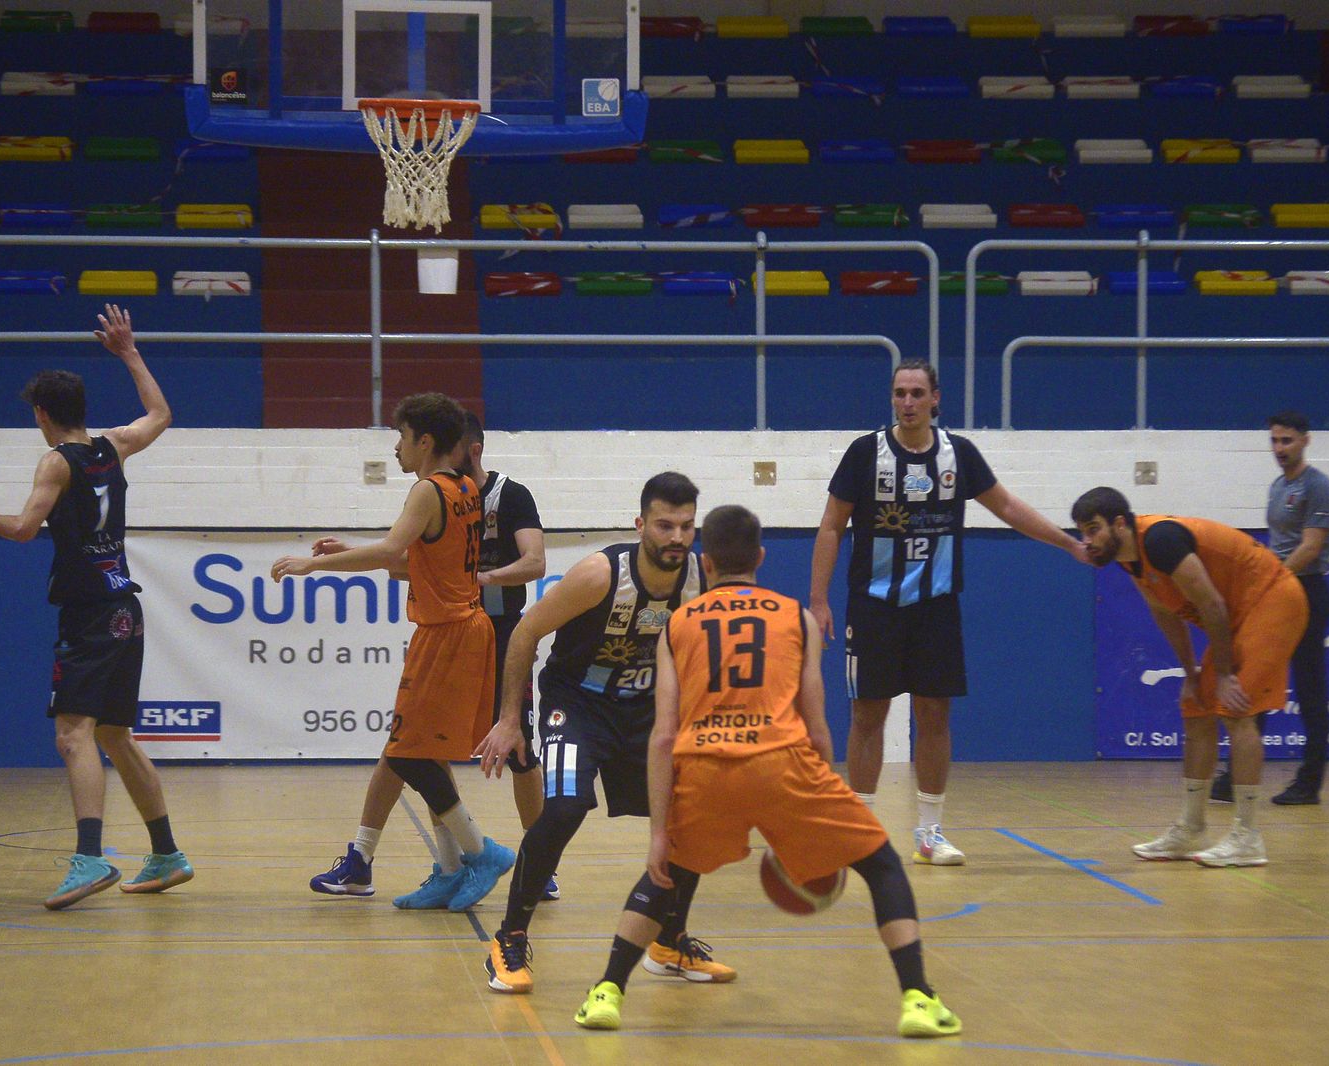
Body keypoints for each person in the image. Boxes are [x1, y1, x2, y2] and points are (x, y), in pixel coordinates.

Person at [571, 504, 961, 1038]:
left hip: (706, 768)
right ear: (760, 557)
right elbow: (817, 727)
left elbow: (662, 737)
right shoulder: (797, 618)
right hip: (782, 764)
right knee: (883, 864)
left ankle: (606, 991)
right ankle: (917, 998)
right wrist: (816, 804)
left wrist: (660, 831)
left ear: (707, 564)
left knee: (667, 872)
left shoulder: (678, 625)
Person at [809, 360, 1089, 865]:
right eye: (900, 392)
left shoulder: (958, 453)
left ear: (936, 398)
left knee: (935, 714)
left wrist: (1068, 544)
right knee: (867, 715)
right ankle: (862, 833)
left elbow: (1007, 507)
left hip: (935, 607)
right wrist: (818, 600)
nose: (908, 402)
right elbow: (831, 525)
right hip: (873, 606)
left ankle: (930, 832)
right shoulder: (865, 453)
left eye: (917, 393)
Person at [475, 472, 735, 994]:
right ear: (640, 525)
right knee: (565, 807)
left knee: (690, 813)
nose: (677, 537)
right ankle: (509, 937)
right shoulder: (600, 574)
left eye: (687, 527)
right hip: (576, 705)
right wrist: (509, 720)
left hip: (645, 711)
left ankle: (668, 940)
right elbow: (525, 632)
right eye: (664, 525)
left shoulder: (701, 578)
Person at [0, 305, 195, 909]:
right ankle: (166, 853)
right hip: (125, 609)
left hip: (90, 613)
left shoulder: (55, 461)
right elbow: (161, 414)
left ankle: (89, 858)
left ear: (42, 415)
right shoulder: (113, 446)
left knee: (73, 735)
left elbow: (23, 528)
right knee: (116, 735)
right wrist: (129, 352)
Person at [273, 392, 515, 913]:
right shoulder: (465, 488)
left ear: (424, 441)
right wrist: (353, 553)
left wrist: (313, 566)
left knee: (406, 752)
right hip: (463, 627)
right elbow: (419, 563)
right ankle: (449, 870)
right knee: (421, 750)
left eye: (401, 437)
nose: (396, 448)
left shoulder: (428, 490)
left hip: (448, 633)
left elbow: (389, 551)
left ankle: (480, 851)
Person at [1072, 487, 1307, 867]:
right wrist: (1191, 672)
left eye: (1093, 529)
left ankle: (1247, 836)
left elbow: (1211, 604)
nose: (1087, 541)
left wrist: (1225, 675)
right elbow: (1166, 614)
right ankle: (1191, 827)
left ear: (1119, 524)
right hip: (1238, 614)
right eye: (1082, 532)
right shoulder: (1130, 561)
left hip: (1273, 599)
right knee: (1195, 707)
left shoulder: (1161, 540)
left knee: (1237, 711)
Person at [1211, 412, 1329, 807]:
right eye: (1275, 441)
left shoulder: (1318, 486)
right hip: (1276, 590)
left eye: (1287, 441)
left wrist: (1273, 579)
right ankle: (1238, 774)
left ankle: (1309, 783)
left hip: (1304, 591)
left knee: (1309, 685)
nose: (1280, 448)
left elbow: (1311, 546)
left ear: (1305, 441)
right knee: (1255, 677)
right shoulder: (1278, 486)